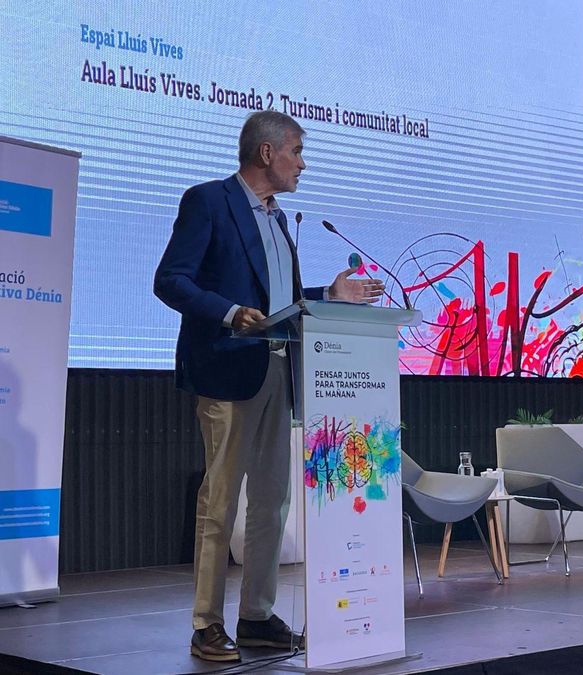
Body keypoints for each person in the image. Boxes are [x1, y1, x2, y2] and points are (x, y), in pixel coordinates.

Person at [154, 110, 384, 662]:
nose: (302, 164)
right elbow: (170, 280)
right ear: (267, 153)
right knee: (222, 500)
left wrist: (329, 294)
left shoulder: (280, 220)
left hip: (279, 367)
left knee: (273, 500)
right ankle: (206, 623)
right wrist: (230, 313)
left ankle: (256, 616)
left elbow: (281, 303)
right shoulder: (209, 201)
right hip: (227, 368)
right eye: (297, 152)